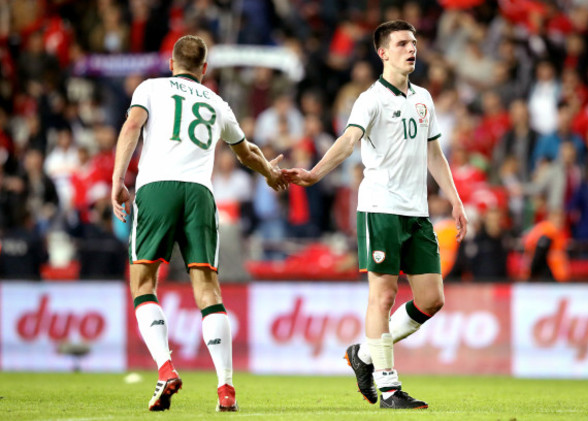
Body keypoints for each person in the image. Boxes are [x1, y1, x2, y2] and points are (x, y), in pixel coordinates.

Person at [284, 20, 468, 410]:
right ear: (383, 53)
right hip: (380, 208)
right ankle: (388, 389)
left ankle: (363, 356)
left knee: (432, 299)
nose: (411, 48)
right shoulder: (370, 99)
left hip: (416, 213)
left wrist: (455, 199)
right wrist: (315, 173)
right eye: (402, 43)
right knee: (382, 297)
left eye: (414, 42)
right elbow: (349, 141)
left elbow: (434, 154)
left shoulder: (424, 100)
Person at [111, 35, 287, 413]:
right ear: (204, 69)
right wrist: (271, 173)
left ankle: (165, 368)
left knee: (143, 283)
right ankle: (225, 388)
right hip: (201, 195)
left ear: (172, 62)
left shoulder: (151, 87)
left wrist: (117, 181)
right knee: (208, 290)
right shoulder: (216, 102)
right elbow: (247, 152)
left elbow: (131, 127)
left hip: (157, 188)